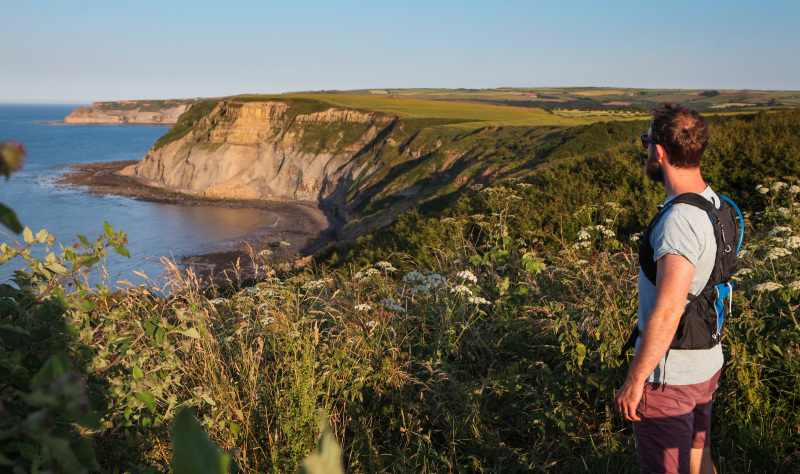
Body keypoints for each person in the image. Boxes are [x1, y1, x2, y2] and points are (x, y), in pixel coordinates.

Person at [615, 102, 723, 474]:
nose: (646, 149)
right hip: (705, 364)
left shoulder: (678, 221)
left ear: (659, 151)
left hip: (670, 379)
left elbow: (668, 310)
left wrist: (635, 380)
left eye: (647, 141)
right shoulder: (716, 205)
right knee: (699, 461)